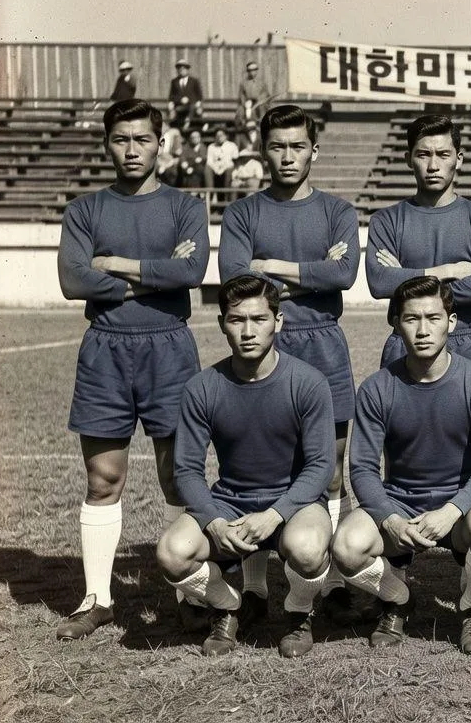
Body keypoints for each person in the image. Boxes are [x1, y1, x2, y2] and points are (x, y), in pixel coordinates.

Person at [54, 98, 210, 640]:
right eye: (121, 139)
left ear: (160, 143)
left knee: (178, 476)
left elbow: (190, 270)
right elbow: (74, 282)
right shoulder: (84, 211)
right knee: (103, 479)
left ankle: (190, 594)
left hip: (170, 349)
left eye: (142, 139)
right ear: (107, 144)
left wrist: (115, 265)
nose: (132, 149)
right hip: (106, 350)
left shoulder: (185, 207)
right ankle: (97, 598)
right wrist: (155, 277)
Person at [219, 105, 361, 617]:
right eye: (277, 146)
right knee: (261, 462)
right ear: (262, 151)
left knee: (333, 467)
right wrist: (310, 271)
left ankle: (333, 579)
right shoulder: (242, 213)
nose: (287, 156)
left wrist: (270, 265)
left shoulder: (338, 211)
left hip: (323, 342)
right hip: (261, 344)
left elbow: (343, 274)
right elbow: (236, 282)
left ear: (314, 151)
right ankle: (255, 586)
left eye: (297, 146)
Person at [156, 275, 335, 657]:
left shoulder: (308, 382)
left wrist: (275, 514)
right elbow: (186, 469)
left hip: (294, 503)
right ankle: (228, 604)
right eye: (237, 320)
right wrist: (213, 521)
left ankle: (299, 611)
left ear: (279, 321)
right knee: (172, 553)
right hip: (230, 502)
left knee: (306, 549)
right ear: (222, 323)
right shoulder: (203, 387)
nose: (248, 331)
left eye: (259, 319)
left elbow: (321, 465)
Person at [334, 276, 471, 653]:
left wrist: (452, 511)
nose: (423, 329)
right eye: (412, 319)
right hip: (401, 502)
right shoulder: (378, 387)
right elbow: (362, 468)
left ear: (452, 321)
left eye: (433, 317)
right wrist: (389, 518)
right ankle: (398, 598)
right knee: (347, 548)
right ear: (396, 323)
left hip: (462, 504)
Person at [366, 115, 471, 372]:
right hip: (404, 342)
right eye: (423, 155)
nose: (433, 165)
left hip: (466, 340)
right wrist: (447, 272)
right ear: (408, 160)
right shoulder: (386, 220)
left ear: (458, 159)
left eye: (443, 154)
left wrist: (406, 280)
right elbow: (380, 282)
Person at [167, 59, 203, 132]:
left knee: (193, 107)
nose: (181, 70)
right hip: (180, 107)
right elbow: (171, 97)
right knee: (175, 111)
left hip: (192, 106)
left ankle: (188, 121)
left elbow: (199, 95)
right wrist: (180, 100)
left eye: (183, 68)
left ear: (187, 69)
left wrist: (195, 103)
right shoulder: (174, 81)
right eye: (179, 69)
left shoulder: (194, 81)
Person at [236, 61, 273, 129]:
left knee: (262, 107)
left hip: (259, 104)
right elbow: (241, 95)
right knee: (241, 112)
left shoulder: (262, 83)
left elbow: (266, 94)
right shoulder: (244, 83)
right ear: (247, 71)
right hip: (248, 104)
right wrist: (245, 103)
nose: (252, 72)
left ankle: (261, 125)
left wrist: (259, 99)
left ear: (256, 71)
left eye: (254, 70)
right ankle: (246, 127)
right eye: (250, 70)